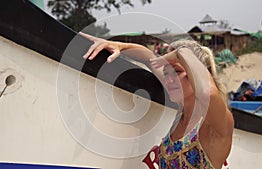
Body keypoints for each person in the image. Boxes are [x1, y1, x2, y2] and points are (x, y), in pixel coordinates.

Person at [79, 32, 234, 169]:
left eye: (177, 72)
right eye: (167, 73)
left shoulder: (214, 125)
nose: (169, 79)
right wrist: (120, 46)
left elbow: (207, 92)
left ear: (198, 74)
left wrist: (182, 52)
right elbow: (149, 58)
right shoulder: (181, 114)